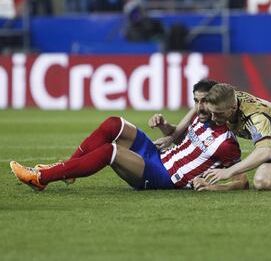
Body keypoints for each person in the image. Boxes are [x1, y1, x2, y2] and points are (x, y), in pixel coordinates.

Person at [11, 80, 248, 192]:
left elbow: (242, 181)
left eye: (204, 102)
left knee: (109, 151)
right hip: (159, 155)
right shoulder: (200, 114)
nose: (199, 106)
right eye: (196, 101)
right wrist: (166, 127)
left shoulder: (227, 143)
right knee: (114, 124)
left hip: (164, 177)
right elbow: (179, 137)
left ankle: (41, 178)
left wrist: (212, 187)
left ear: (219, 104)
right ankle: (69, 171)